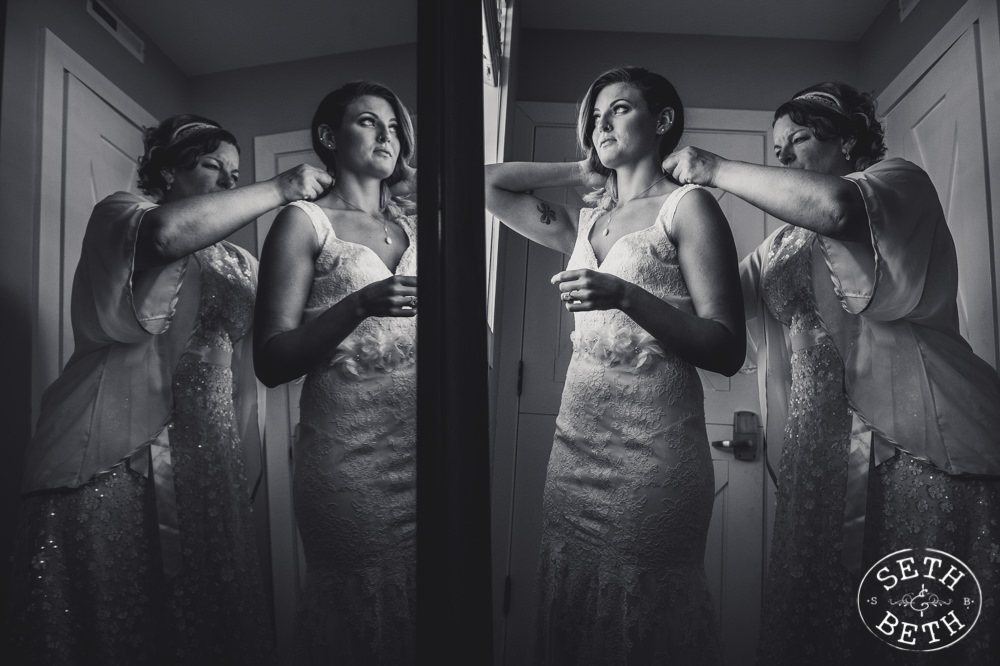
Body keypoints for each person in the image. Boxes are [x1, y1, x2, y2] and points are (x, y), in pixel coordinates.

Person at [663, 81, 1000, 664]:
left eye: (797, 138)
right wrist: (622, 233)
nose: (785, 156)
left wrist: (714, 168)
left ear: (848, 139)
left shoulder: (897, 182)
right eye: (778, 150)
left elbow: (837, 208)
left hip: (919, 437)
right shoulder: (782, 243)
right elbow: (706, 301)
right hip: (817, 449)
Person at [8, 115, 331, 664]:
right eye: (213, 167)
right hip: (110, 453)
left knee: (197, 621)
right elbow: (165, 236)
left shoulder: (242, 264)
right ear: (167, 170)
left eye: (236, 175)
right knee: (114, 607)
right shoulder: (124, 215)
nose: (229, 183)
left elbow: (264, 357)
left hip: (207, 459)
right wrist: (278, 189)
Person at [486, 66, 743, 665]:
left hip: (652, 456)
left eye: (619, 109)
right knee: (572, 603)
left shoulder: (687, 207)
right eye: (594, 115)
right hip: (574, 453)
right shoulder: (586, 222)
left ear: (661, 122)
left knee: (642, 614)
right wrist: (579, 172)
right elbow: (484, 185)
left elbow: (727, 347)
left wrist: (627, 294)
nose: (601, 122)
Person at [253, 81, 417, 665]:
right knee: (358, 612)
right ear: (329, 136)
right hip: (349, 460)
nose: (386, 135)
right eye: (369, 122)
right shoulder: (304, 222)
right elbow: (270, 360)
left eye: (394, 126)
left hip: (425, 455)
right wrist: (357, 305)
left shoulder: (420, 229)